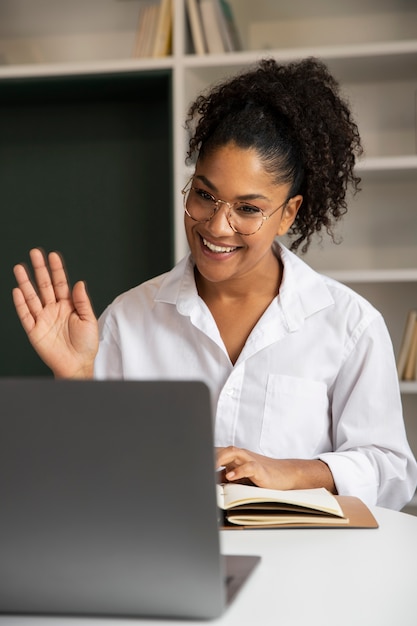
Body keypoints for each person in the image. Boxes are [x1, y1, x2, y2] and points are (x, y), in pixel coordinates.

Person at [12, 57, 417, 510]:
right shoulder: (128, 319)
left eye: (247, 208)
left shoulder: (350, 325)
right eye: (204, 195)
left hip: (305, 571)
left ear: (288, 213)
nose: (217, 226)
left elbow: (392, 472)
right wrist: (76, 379)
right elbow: (85, 474)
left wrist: (292, 471)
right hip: (161, 563)